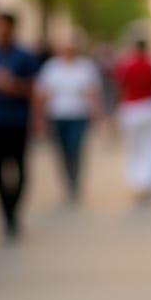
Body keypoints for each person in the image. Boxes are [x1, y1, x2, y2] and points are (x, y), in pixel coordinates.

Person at [0, 11, 40, 239]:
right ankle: (7, 216)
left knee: (20, 168)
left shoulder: (24, 56)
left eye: (3, 26)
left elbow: (35, 88)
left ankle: (14, 209)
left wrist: (13, 86)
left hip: (19, 120)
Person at [33, 31, 102, 200]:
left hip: (78, 114)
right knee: (61, 151)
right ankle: (67, 181)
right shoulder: (51, 68)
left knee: (76, 148)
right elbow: (42, 93)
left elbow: (92, 91)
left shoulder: (85, 67)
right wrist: (39, 117)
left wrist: (96, 111)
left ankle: (75, 181)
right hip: (57, 115)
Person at [113, 36, 151, 201]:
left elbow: (120, 88)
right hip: (150, 107)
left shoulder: (126, 66)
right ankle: (148, 182)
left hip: (131, 109)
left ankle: (137, 183)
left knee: (134, 148)